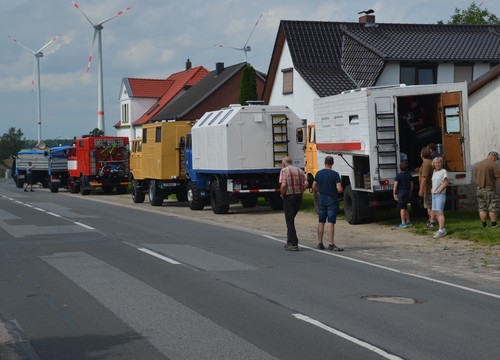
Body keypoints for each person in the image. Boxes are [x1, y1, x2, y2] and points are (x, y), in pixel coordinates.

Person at [312, 156, 344, 251]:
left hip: (322, 198)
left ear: (324, 162)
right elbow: (339, 188)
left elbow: (314, 186)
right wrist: (338, 191)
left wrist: (319, 190)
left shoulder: (319, 173)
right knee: (331, 222)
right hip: (332, 199)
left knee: (321, 221)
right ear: (332, 163)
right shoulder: (335, 174)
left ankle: (320, 243)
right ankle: (330, 243)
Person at [279, 156, 307, 251]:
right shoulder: (300, 170)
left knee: (289, 220)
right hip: (299, 196)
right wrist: (302, 190)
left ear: (284, 163)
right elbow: (306, 183)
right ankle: (289, 240)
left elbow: (283, 185)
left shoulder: (284, 171)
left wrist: (282, 194)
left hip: (289, 196)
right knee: (291, 218)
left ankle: (293, 243)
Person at [474, 151, 500, 228]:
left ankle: (484, 225)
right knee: (493, 207)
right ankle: (494, 224)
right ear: (494, 157)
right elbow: (498, 175)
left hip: (479, 189)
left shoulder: (478, 165)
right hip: (489, 189)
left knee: (482, 208)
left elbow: (476, 176)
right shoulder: (493, 164)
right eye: (496, 159)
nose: (496, 161)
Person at [431, 157, 449, 238]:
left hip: (440, 194)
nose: (437, 164)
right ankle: (441, 229)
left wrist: (440, 190)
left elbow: (446, 182)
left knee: (440, 212)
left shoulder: (443, 171)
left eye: (439, 163)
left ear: (441, 164)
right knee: (435, 212)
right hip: (434, 194)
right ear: (434, 164)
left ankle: (441, 230)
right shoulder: (434, 171)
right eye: (436, 163)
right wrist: (432, 189)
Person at [419, 147, 436, 227]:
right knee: (431, 205)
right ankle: (432, 221)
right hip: (432, 187)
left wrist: (421, 189)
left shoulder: (426, 163)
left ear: (422, 154)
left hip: (428, 188)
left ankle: (432, 222)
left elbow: (424, 177)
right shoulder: (430, 162)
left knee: (429, 206)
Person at [393, 161, 414, 228]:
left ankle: (403, 222)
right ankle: (408, 221)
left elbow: (395, 186)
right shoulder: (409, 175)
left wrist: (394, 194)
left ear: (400, 168)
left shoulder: (398, 176)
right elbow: (411, 185)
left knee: (402, 208)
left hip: (400, 193)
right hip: (407, 192)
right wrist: (410, 192)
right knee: (405, 207)